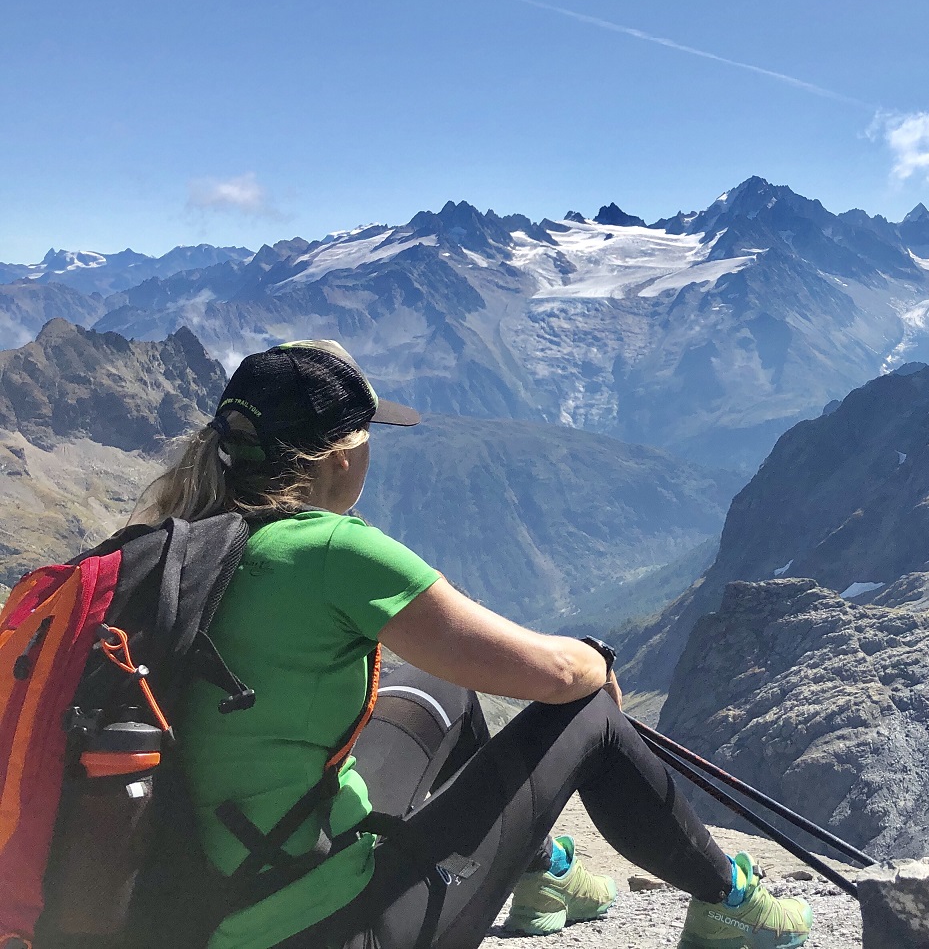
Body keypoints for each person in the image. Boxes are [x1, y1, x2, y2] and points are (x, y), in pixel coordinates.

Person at [131, 339, 813, 949]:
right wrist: (595, 660)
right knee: (588, 712)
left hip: (210, 896)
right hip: (320, 927)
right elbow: (554, 674)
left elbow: (457, 655)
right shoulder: (329, 548)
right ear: (341, 456)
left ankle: (539, 874)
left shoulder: (178, 542)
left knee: (441, 684)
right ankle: (732, 905)